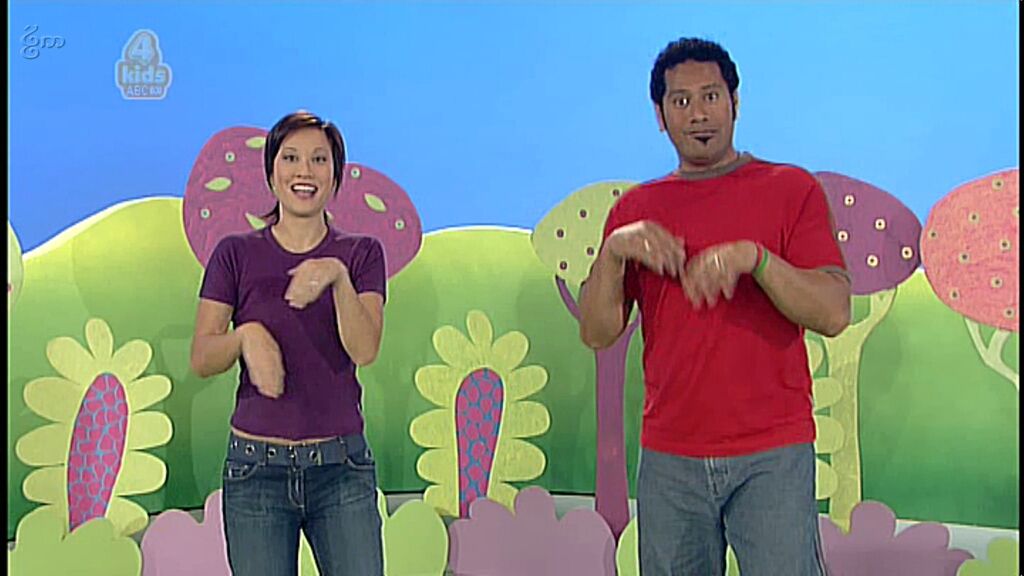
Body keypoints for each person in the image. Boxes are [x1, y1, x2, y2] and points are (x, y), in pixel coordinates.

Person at [579, 38, 851, 575]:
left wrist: (756, 259)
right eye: (680, 101)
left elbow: (834, 313)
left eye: (710, 96)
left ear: (735, 103)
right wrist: (612, 253)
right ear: (660, 116)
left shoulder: (791, 189)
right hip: (670, 457)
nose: (698, 113)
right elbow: (597, 332)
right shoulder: (636, 210)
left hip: (772, 453)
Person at [190, 110, 387, 576]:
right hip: (255, 470)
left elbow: (365, 349)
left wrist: (337, 278)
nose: (305, 171)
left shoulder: (361, 254)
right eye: (291, 158)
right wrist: (246, 336)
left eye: (319, 159)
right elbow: (202, 357)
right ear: (272, 171)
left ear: (335, 175)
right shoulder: (235, 254)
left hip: (341, 469)